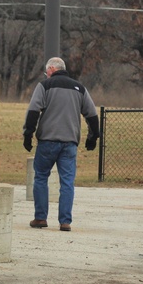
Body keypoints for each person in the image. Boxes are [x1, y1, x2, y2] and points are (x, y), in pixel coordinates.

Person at [22, 57, 100, 232]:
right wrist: (93, 136)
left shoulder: (45, 86)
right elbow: (92, 114)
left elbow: (33, 110)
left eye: (46, 71)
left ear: (51, 69)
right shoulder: (79, 88)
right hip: (69, 143)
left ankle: (40, 218)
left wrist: (28, 134)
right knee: (67, 182)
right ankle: (65, 222)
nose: (46, 74)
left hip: (47, 142)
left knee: (41, 177)